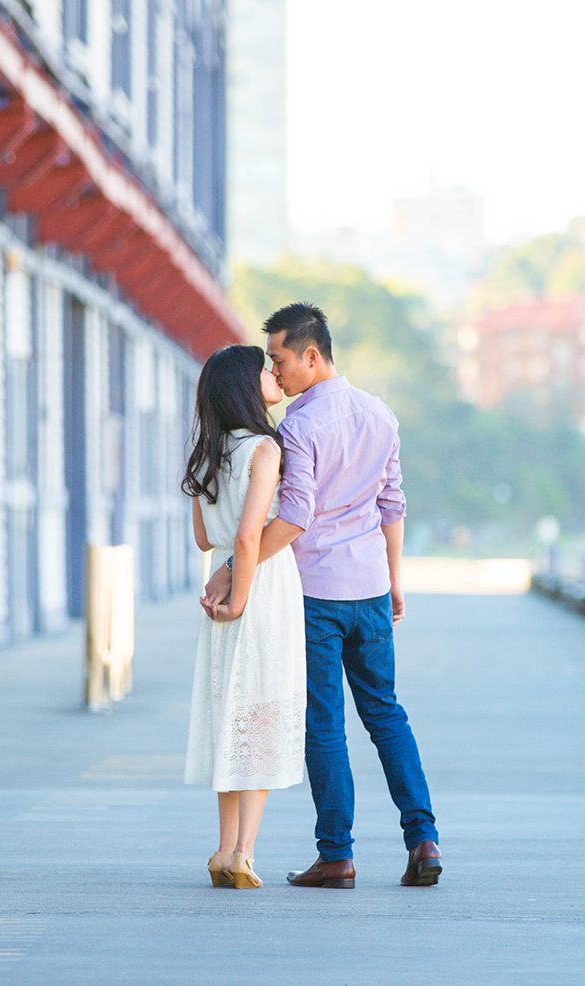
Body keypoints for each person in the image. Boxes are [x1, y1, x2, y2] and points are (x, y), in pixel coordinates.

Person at [204, 302, 441, 889]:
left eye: (281, 360)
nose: (276, 373)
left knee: (325, 724)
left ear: (313, 355)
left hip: (315, 596)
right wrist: (394, 580)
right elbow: (393, 505)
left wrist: (236, 565)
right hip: (370, 591)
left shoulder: (298, 427)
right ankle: (424, 840)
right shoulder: (380, 414)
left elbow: (296, 516)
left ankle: (337, 854)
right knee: (386, 713)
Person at [182, 344, 306, 890]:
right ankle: (243, 853)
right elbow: (250, 534)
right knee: (260, 715)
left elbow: (205, 536)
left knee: (229, 711)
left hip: (224, 590)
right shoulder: (265, 449)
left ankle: (221, 847)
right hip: (264, 587)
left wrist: (225, 589)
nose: (273, 373)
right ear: (244, 384)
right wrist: (240, 595)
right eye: (264, 367)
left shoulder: (208, 451)